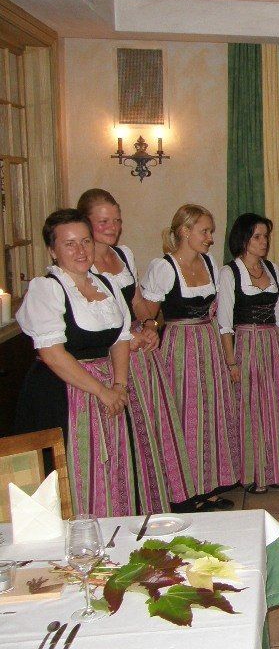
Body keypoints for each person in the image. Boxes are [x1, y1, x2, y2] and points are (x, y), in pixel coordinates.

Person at [14, 209, 134, 515]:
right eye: (70, 244)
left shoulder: (107, 285)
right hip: (60, 393)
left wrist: (119, 385)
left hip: (107, 387)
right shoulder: (47, 289)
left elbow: (121, 338)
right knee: (63, 474)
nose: (81, 250)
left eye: (85, 241)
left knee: (110, 467)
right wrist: (103, 391)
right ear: (53, 251)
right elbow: (53, 354)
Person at [77, 189, 191, 513]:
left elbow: (139, 304)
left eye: (116, 220)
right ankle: (126, 507)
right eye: (103, 221)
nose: (113, 227)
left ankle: (154, 502)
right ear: (85, 223)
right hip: (111, 360)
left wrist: (152, 326)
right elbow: (94, 322)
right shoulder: (81, 265)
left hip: (141, 357)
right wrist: (130, 337)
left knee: (150, 434)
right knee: (124, 438)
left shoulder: (123, 255)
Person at [139, 204, 238, 511]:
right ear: (184, 231)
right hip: (180, 348)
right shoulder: (165, 267)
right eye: (204, 231)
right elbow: (147, 314)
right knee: (184, 418)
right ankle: (183, 492)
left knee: (210, 415)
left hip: (207, 343)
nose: (210, 238)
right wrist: (149, 329)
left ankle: (207, 487)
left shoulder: (209, 263)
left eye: (210, 232)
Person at [218, 213, 279, 493]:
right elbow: (224, 323)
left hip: (271, 345)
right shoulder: (230, 273)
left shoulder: (272, 269)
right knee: (250, 409)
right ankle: (253, 473)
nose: (263, 241)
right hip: (246, 344)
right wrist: (231, 362)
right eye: (257, 236)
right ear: (243, 238)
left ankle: (275, 468)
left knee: (274, 406)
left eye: (265, 236)